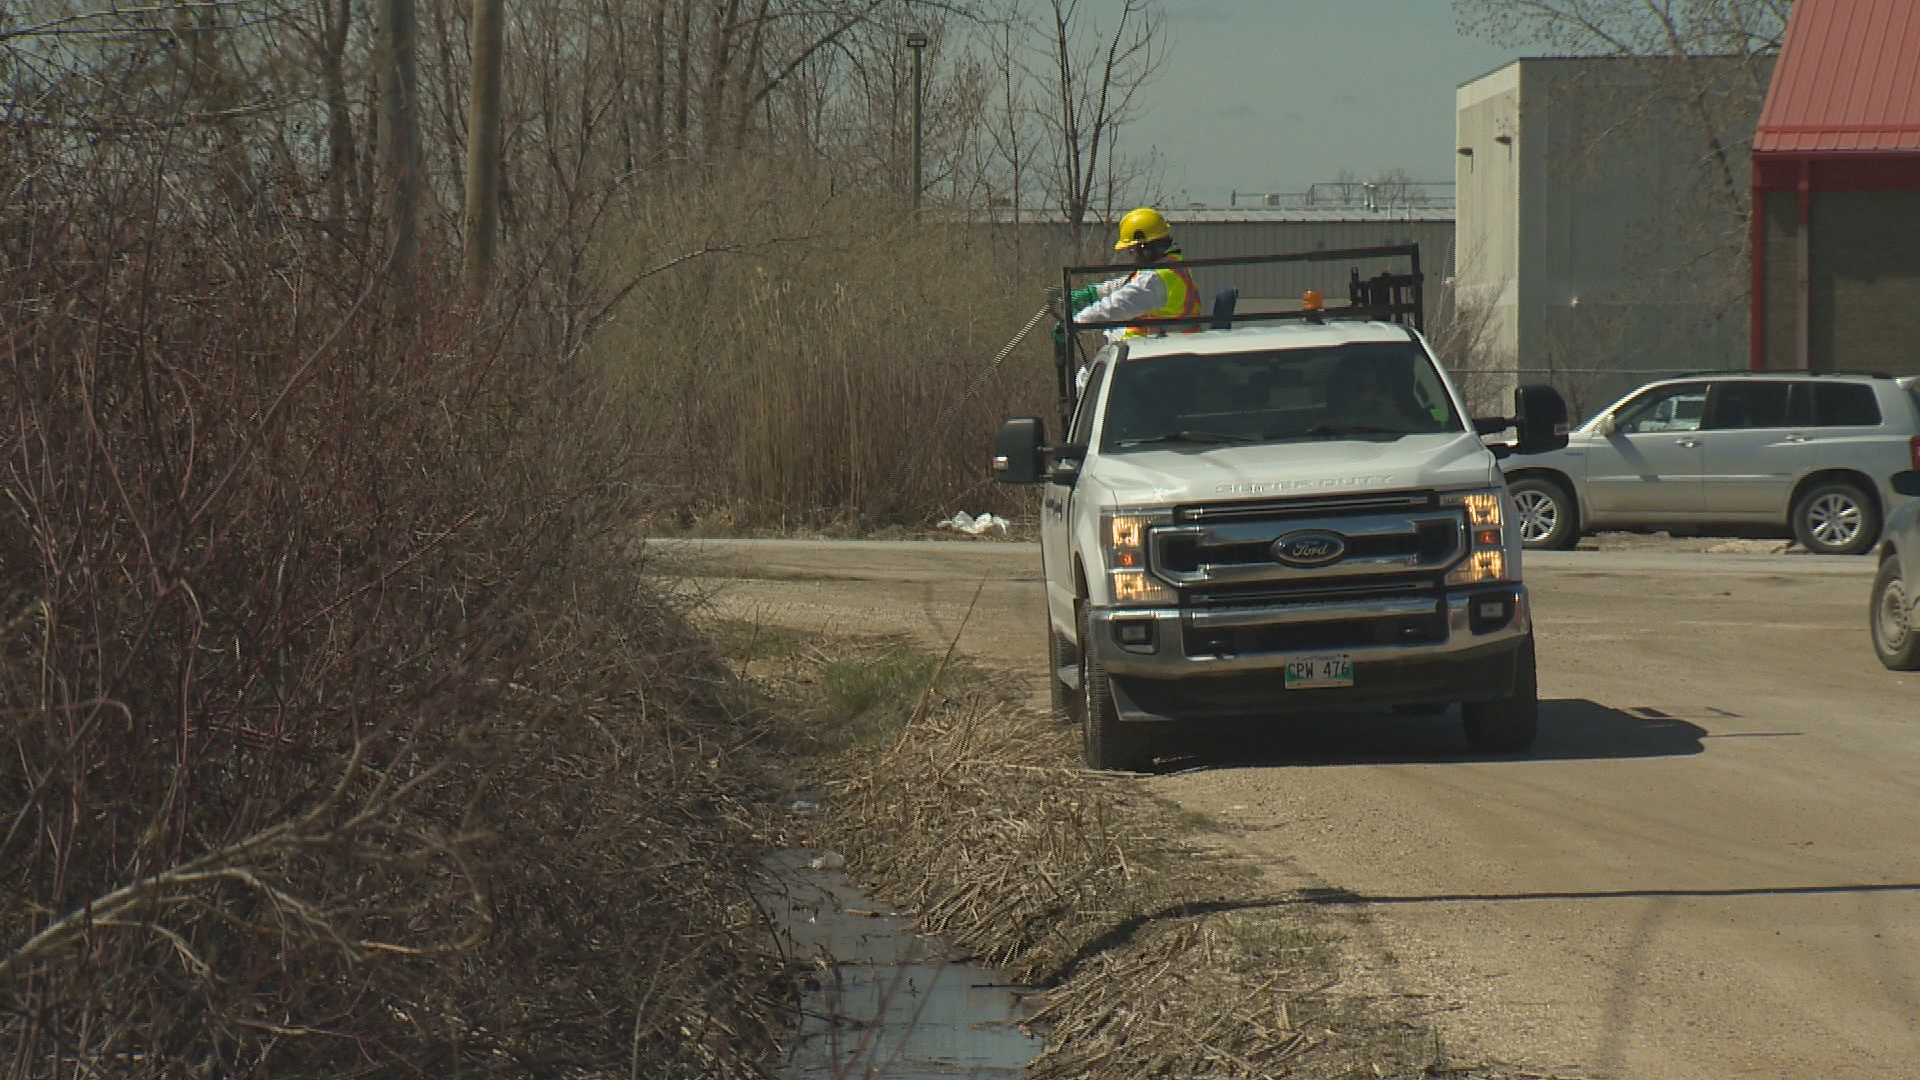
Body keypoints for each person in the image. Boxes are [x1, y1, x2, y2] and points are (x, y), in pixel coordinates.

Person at [1061, 207, 1201, 392]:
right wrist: (1093, 292)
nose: (1132, 256)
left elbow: (1115, 307)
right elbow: (1127, 285)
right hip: (1163, 349)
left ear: (1145, 249)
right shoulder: (1170, 268)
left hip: (1147, 355)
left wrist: (1074, 323)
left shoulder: (1155, 280)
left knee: (1086, 379)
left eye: (1132, 250)